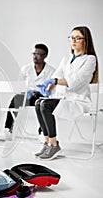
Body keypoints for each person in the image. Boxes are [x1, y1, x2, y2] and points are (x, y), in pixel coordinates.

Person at [35, 26, 98, 160]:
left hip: (79, 100)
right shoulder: (67, 58)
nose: (73, 41)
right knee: (38, 102)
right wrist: (48, 86)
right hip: (65, 97)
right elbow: (57, 74)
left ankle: (54, 144)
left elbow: (76, 81)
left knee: (45, 105)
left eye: (77, 38)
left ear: (85, 41)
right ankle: (47, 142)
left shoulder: (90, 59)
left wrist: (55, 80)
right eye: (71, 38)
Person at [0, 44, 55, 141]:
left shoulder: (51, 71)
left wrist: (40, 92)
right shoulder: (26, 69)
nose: (35, 56)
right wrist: (25, 91)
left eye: (39, 54)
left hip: (41, 96)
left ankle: (43, 133)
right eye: (34, 54)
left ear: (45, 56)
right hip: (27, 95)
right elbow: (20, 85)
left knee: (44, 105)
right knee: (15, 99)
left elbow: (51, 89)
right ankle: (7, 130)